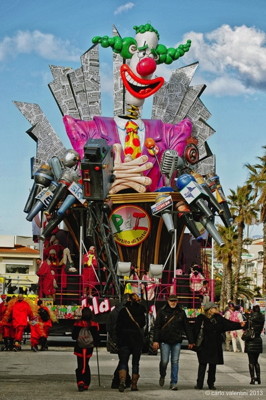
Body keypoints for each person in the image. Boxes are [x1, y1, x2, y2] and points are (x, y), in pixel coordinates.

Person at [193, 301, 246, 390]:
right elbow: (195, 331)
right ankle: (199, 384)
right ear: (209, 310)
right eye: (215, 307)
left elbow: (228, 324)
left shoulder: (218, 318)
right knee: (202, 364)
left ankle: (211, 383)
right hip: (203, 345)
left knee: (213, 365)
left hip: (215, 345)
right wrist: (193, 342)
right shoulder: (200, 318)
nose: (217, 309)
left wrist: (240, 325)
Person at [152, 294, 194, 390]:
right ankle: (162, 374)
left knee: (175, 362)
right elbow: (157, 327)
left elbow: (187, 327)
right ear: (168, 301)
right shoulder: (162, 312)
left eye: (175, 301)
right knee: (164, 361)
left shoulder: (181, 313)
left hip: (176, 340)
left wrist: (191, 341)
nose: (173, 303)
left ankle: (173, 382)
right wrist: (155, 340)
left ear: (177, 301)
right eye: (171, 301)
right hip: (164, 340)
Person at [116, 293, 146, 392]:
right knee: (135, 363)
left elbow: (118, 326)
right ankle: (134, 384)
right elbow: (142, 324)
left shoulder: (123, 311)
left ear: (129, 300)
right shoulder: (141, 310)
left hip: (124, 339)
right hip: (136, 339)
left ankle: (122, 381)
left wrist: (118, 339)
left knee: (123, 362)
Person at [71, 307, 100, 392]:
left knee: (80, 364)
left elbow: (73, 337)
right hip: (89, 347)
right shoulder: (94, 324)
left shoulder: (77, 324)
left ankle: (80, 382)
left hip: (79, 347)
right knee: (86, 364)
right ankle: (86, 383)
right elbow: (97, 338)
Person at [244, 305, 265, 384]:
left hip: (250, 340)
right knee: (256, 361)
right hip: (258, 339)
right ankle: (258, 378)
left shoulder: (250, 318)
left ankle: (252, 378)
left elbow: (246, 327)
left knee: (251, 361)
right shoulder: (262, 317)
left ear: (253, 310)